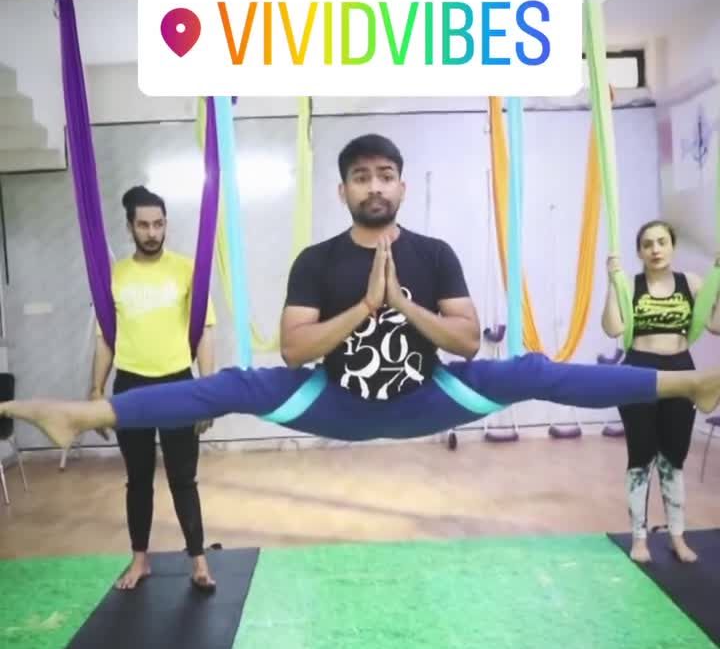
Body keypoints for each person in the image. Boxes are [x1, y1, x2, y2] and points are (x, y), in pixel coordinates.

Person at [3, 137, 720, 455]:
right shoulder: (317, 260)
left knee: (531, 370)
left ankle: (689, 383)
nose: (374, 186)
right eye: (360, 176)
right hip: (335, 401)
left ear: (400, 185)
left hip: (429, 396)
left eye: (385, 175)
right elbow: (295, 351)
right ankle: (83, 414)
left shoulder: (434, 253)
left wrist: (403, 306)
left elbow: (467, 343)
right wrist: (363, 310)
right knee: (230, 385)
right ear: (343, 189)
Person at [91, 185, 218, 592]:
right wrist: (95, 391)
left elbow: (205, 331)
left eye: (158, 224)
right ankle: (140, 559)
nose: (152, 233)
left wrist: (208, 392)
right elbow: (105, 338)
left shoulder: (187, 270)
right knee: (138, 479)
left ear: (166, 225)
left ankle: (198, 560)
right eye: (144, 225)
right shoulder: (114, 276)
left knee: (184, 478)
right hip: (130, 385)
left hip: (179, 383)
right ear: (130, 227)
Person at [602, 220, 720, 564]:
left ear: (672, 247)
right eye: (648, 244)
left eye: (662, 242)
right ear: (639, 252)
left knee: (673, 459)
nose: (655, 249)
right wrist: (611, 283)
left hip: (681, 372)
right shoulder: (630, 285)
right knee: (641, 457)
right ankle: (639, 539)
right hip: (639, 372)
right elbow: (612, 328)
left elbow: (715, 325)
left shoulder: (691, 283)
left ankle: (677, 536)